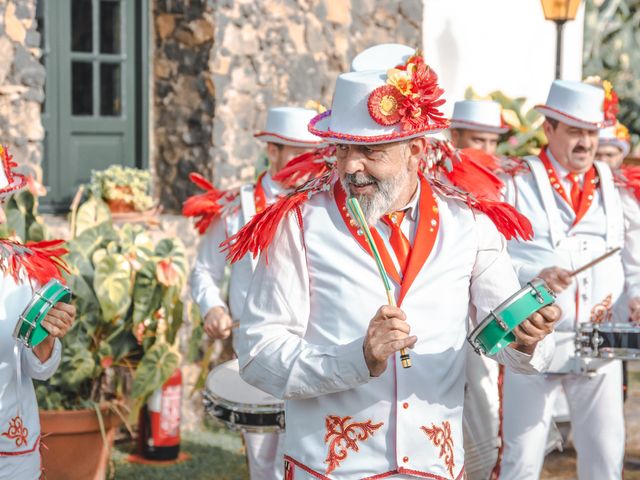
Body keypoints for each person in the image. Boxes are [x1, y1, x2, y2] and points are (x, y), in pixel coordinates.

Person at [228, 52, 560, 479]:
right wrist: (357, 358)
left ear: (415, 150)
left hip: (434, 468)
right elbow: (257, 354)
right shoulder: (300, 224)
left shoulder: (470, 223)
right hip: (330, 470)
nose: (351, 166)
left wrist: (527, 339)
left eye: (372, 150)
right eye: (343, 147)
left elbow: (504, 342)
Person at [499, 80, 640, 479]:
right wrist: (533, 276)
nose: (585, 143)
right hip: (533, 338)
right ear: (549, 129)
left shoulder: (616, 187)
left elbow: (634, 261)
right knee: (521, 458)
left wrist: (637, 296)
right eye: (574, 131)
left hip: (601, 339)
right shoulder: (515, 181)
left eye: (591, 133)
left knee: (606, 454)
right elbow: (491, 258)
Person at [187, 106, 324, 480]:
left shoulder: (325, 204)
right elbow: (204, 270)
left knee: (314, 450)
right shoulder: (236, 206)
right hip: (258, 348)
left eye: (313, 153)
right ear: (273, 151)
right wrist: (212, 306)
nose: (308, 164)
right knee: (264, 458)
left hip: (316, 346)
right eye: (297, 152)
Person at [0, 146, 76, 479]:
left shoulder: (24, 270)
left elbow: (39, 369)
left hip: (11, 442)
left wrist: (46, 339)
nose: (3, 218)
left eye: (2, 203)